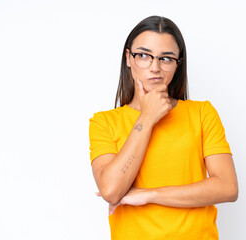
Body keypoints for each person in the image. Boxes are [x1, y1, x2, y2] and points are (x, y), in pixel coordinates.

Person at [89, 15, 238, 240]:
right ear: (128, 58)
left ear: (178, 64)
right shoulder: (104, 122)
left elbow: (227, 187)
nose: (155, 67)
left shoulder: (202, 113)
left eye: (166, 58)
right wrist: (147, 118)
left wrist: (149, 195)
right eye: (143, 55)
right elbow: (111, 191)